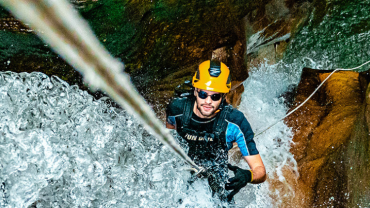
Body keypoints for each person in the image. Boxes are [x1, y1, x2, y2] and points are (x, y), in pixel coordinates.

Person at [166, 60, 266, 202]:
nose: (208, 101)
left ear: (223, 96)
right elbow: (169, 138)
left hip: (217, 174)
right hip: (183, 170)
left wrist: (247, 176)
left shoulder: (235, 122)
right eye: (203, 95)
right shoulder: (176, 109)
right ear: (195, 91)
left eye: (215, 96)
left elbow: (260, 171)